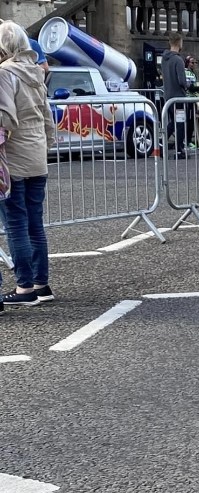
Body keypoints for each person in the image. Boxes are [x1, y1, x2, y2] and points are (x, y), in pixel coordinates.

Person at [0, 21, 55, 310]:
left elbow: (5, 117)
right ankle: (41, 284)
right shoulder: (36, 71)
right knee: (35, 222)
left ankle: (24, 287)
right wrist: (48, 142)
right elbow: (47, 116)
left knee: (16, 224)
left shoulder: (6, 73)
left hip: (15, 155)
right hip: (37, 154)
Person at [162, 32, 188, 159]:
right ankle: (179, 150)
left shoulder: (164, 59)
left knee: (172, 123)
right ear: (179, 43)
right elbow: (182, 81)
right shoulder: (178, 60)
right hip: (178, 96)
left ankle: (161, 144)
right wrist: (187, 86)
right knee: (180, 124)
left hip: (168, 95)